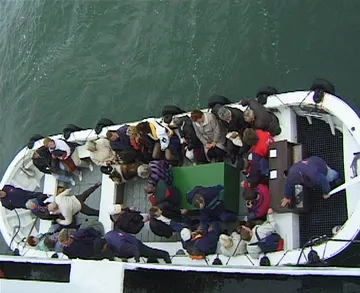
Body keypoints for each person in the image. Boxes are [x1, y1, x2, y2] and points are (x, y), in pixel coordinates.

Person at [104, 229, 171, 263]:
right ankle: (153, 258)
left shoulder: (119, 246)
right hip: (129, 239)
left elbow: (135, 249)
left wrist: (137, 260)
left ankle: (165, 255)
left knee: (149, 252)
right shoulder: (107, 235)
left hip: (136, 245)